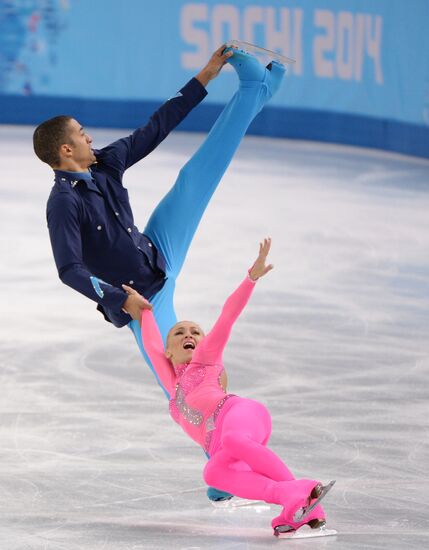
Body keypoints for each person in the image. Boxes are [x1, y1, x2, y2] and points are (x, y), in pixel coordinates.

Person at [33, 45, 286, 501]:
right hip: (146, 301)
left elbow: (156, 128)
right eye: (84, 135)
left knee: (197, 176)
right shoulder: (62, 203)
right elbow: (68, 269)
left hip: (159, 249)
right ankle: (219, 461)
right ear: (66, 149)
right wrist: (118, 300)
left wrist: (205, 77)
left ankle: (253, 90)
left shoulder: (105, 165)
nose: (93, 140)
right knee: (184, 389)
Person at [123, 238, 334, 535]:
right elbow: (151, 343)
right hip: (221, 443)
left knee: (234, 439)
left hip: (241, 414)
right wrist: (144, 313)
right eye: (180, 332)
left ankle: (302, 492)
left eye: (196, 331)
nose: (190, 334)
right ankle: (291, 500)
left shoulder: (205, 360)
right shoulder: (173, 386)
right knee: (214, 472)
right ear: (169, 351)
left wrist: (250, 279)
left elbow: (227, 316)